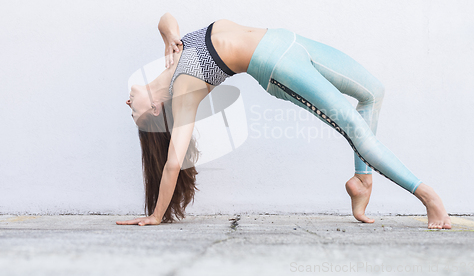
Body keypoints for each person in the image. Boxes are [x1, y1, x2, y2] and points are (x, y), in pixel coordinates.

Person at [117, 13, 452, 229]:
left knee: (373, 92)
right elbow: (173, 164)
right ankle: (428, 197)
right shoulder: (184, 90)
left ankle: (361, 182)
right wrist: (155, 216)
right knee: (355, 128)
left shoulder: (174, 54)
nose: (128, 102)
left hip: (287, 41)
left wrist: (169, 36)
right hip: (277, 67)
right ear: (157, 111)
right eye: (133, 113)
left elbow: (166, 18)